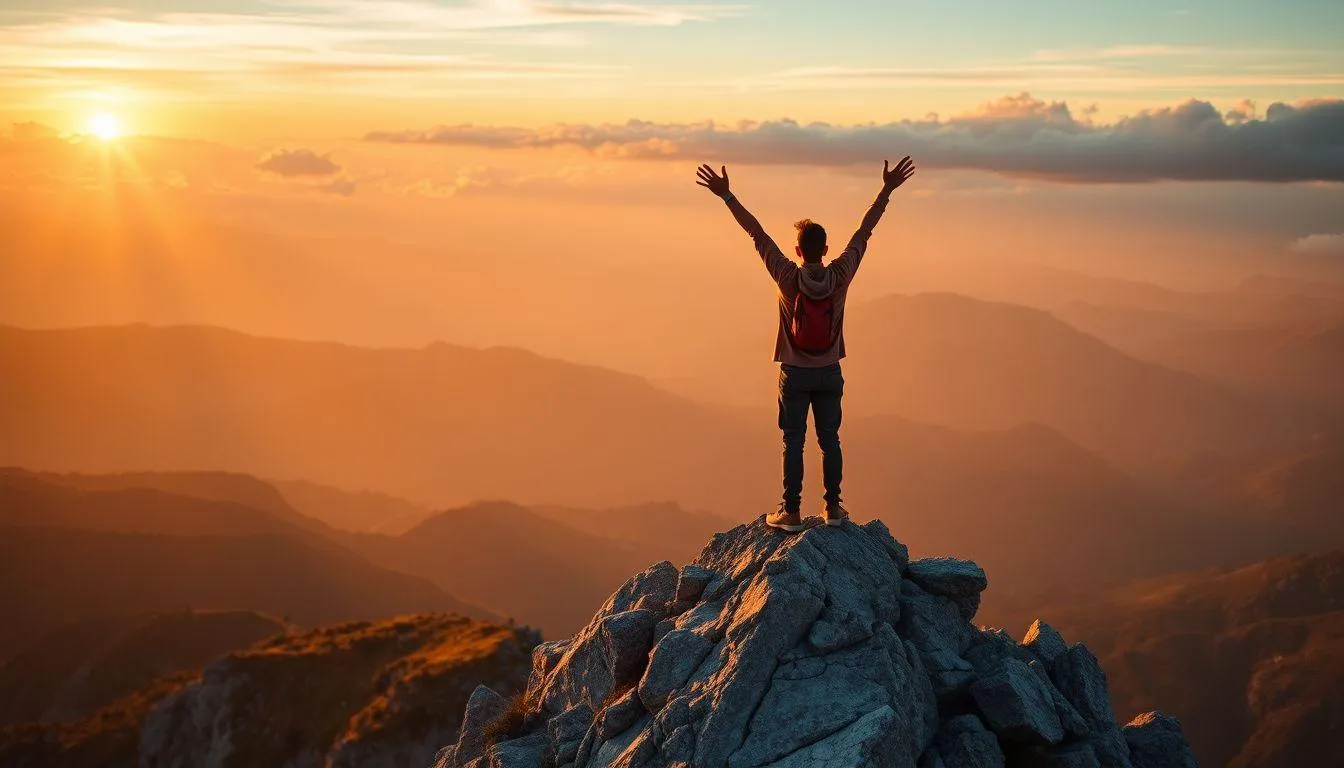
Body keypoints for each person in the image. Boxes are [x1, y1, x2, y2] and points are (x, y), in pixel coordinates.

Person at [695, 157, 916, 532]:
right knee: (830, 440)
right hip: (829, 371)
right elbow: (864, 233)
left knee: (793, 442)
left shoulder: (786, 276)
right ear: (826, 249)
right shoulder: (841, 274)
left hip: (794, 372)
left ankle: (791, 512)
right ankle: (833, 509)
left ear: (798, 251)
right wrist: (886, 190)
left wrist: (727, 196)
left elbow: (758, 234)